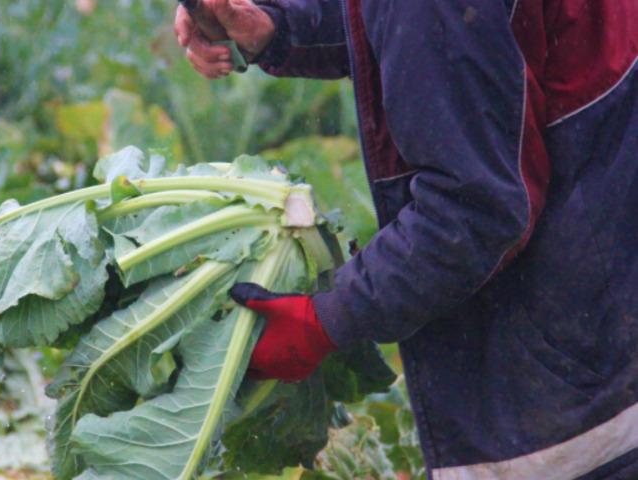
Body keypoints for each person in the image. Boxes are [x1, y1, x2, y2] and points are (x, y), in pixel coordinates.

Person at [175, 1, 638, 478]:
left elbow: (474, 214)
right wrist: (275, 26)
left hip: (576, 400)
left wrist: (323, 318)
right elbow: (435, 32)